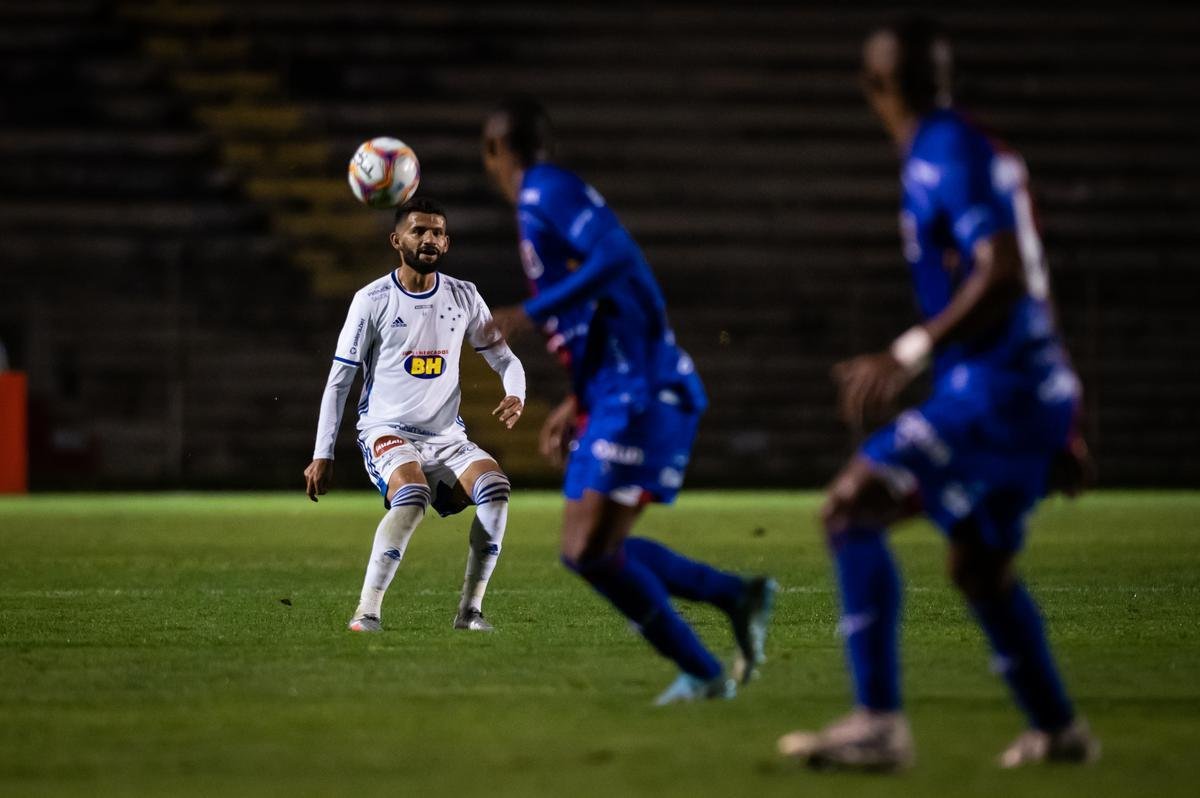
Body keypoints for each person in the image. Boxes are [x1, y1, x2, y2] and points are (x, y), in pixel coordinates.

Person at [777, 17, 1099, 770]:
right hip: (1028, 388)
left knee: (853, 504)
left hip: (997, 390)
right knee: (978, 566)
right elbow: (1030, 287)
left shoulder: (942, 151)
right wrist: (1064, 423)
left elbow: (1007, 271)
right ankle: (1057, 732)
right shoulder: (968, 146)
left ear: (875, 87)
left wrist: (908, 351)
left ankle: (879, 725)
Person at [481, 98, 776, 705]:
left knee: (588, 550)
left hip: (643, 391)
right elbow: (604, 308)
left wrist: (528, 314)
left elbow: (618, 258)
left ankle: (706, 666)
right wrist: (578, 397)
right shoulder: (544, 199)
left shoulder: (544, 191)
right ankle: (730, 604)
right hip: (616, 388)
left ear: (495, 154)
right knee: (589, 551)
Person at [304, 197, 526, 633]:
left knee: (497, 490)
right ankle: (366, 612)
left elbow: (506, 359)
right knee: (413, 496)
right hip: (387, 430)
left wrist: (515, 392)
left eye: (437, 232)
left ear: (447, 242)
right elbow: (339, 380)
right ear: (396, 240)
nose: (429, 239)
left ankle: (470, 613)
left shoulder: (464, 295)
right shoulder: (372, 299)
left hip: (446, 436)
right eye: (419, 231)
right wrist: (322, 453)